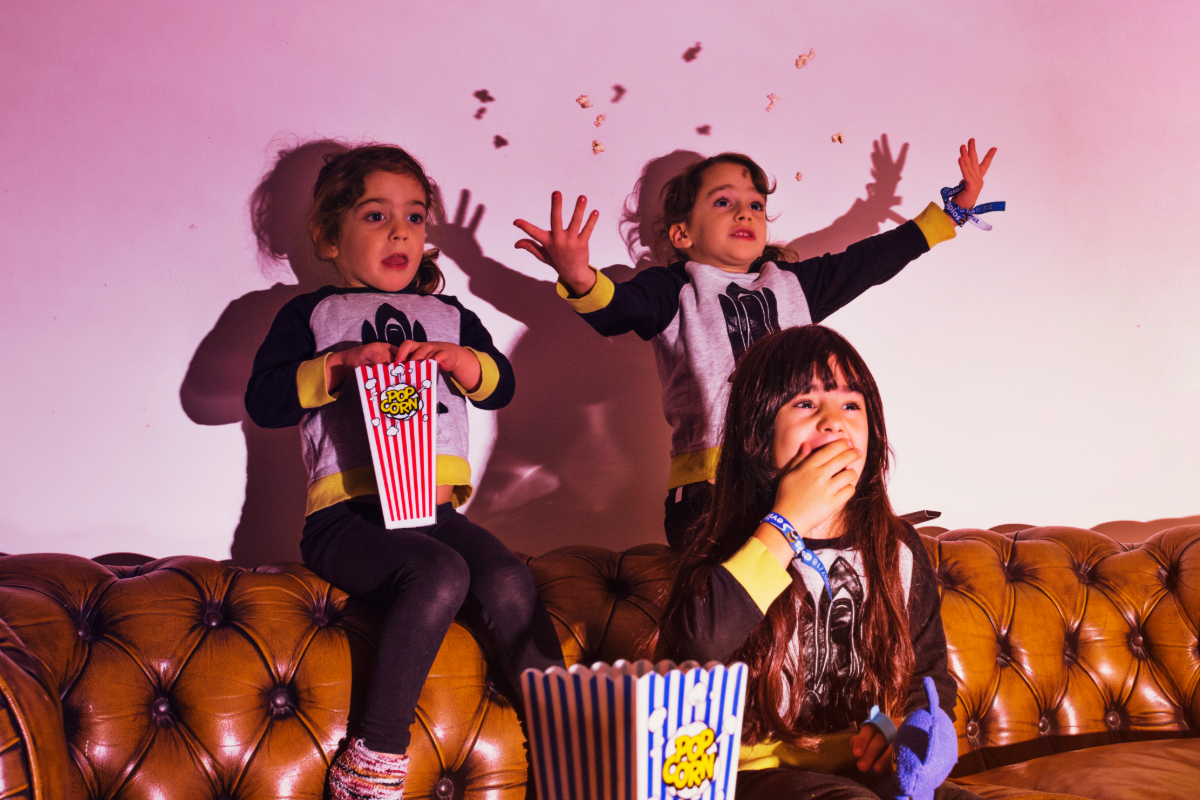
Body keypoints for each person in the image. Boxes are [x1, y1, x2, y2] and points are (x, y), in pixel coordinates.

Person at [245, 144, 564, 800]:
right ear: (328, 237)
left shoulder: (452, 317)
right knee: (439, 572)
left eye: (415, 217)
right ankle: (374, 756)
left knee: (507, 575)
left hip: (435, 512)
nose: (400, 232)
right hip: (347, 520)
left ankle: (568, 735)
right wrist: (339, 364)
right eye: (375, 215)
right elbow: (263, 401)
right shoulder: (311, 316)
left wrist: (462, 361)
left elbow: (500, 385)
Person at [513, 141, 997, 550]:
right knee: (747, 588)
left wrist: (949, 213)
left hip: (798, 475)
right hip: (712, 490)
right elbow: (617, 310)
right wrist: (578, 275)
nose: (745, 211)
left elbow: (867, 262)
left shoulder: (790, 284)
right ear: (682, 233)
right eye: (723, 202)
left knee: (851, 561)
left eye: (756, 205)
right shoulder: (672, 289)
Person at [652, 325, 979, 800]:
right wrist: (786, 524)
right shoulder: (733, 544)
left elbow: (927, 677)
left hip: (863, 767)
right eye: (806, 403)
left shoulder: (899, 547)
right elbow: (697, 645)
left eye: (851, 405)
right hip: (753, 774)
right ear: (757, 432)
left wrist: (908, 732)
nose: (833, 423)